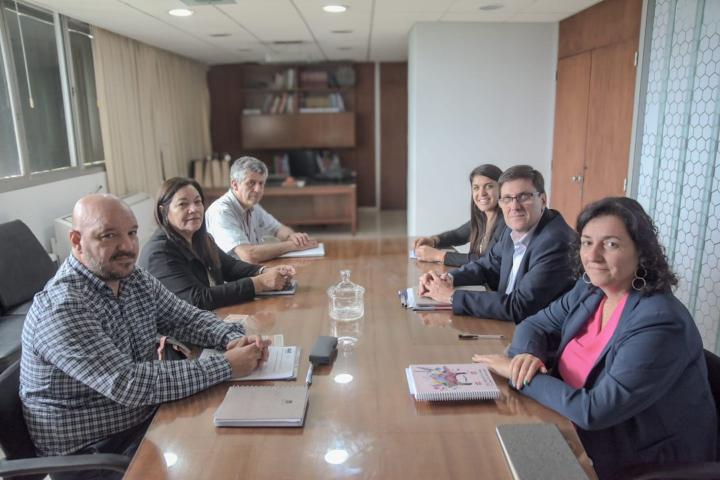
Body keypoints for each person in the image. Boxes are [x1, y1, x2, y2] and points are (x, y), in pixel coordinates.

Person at [20, 194, 270, 478]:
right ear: (76, 241)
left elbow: (185, 317)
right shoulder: (63, 307)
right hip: (94, 454)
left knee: (243, 446)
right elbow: (128, 384)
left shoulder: (131, 277)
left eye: (132, 233)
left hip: (140, 421)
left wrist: (230, 337)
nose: (127, 246)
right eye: (109, 235)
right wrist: (226, 365)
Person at [473, 197, 717, 479]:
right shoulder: (591, 289)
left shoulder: (660, 321)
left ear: (641, 252)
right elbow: (534, 324)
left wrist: (520, 375)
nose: (593, 255)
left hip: (636, 457)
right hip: (566, 423)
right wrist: (528, 356)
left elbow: (595, 411)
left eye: (611, 244)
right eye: (587, 242)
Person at [419, 165, 575, 322]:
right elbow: (486, 266)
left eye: (523, 197)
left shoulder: (555, 243)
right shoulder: (512, 229)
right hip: (505, 322)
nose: (514, 206)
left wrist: (451, 296)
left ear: (542, 199)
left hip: (533, 334)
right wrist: (446, 279)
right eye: (507, 198)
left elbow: (519, 307)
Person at [139, 177, 296, 310]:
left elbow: (231, 267)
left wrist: (264, 271)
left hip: (211, 319)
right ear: (163, 211)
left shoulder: (200, 238)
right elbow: (198, 299)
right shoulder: (159, 253)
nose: (193, 209)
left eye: (197, 202)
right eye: (183, 204)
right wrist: (259, 283)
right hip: (180, 339)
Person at [205, 156, 318, 263]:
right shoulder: (221, 211)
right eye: (251, 183)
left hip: (250, 272)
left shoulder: (253, 206)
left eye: (261, 183)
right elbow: (248, 255)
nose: (258, 190)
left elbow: (278, 229)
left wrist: (292, 237)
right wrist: (292, 245)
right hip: (230, 280)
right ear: (235, 184)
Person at [413, 164, 506, 267]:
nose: (481, 193)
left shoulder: (506, 222)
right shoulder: (482, 218)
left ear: (501, 189)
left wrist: (438, 256)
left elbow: (484, 260)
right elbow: (457, 235)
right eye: (476, 188)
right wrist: (433, 240)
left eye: (489, 186)